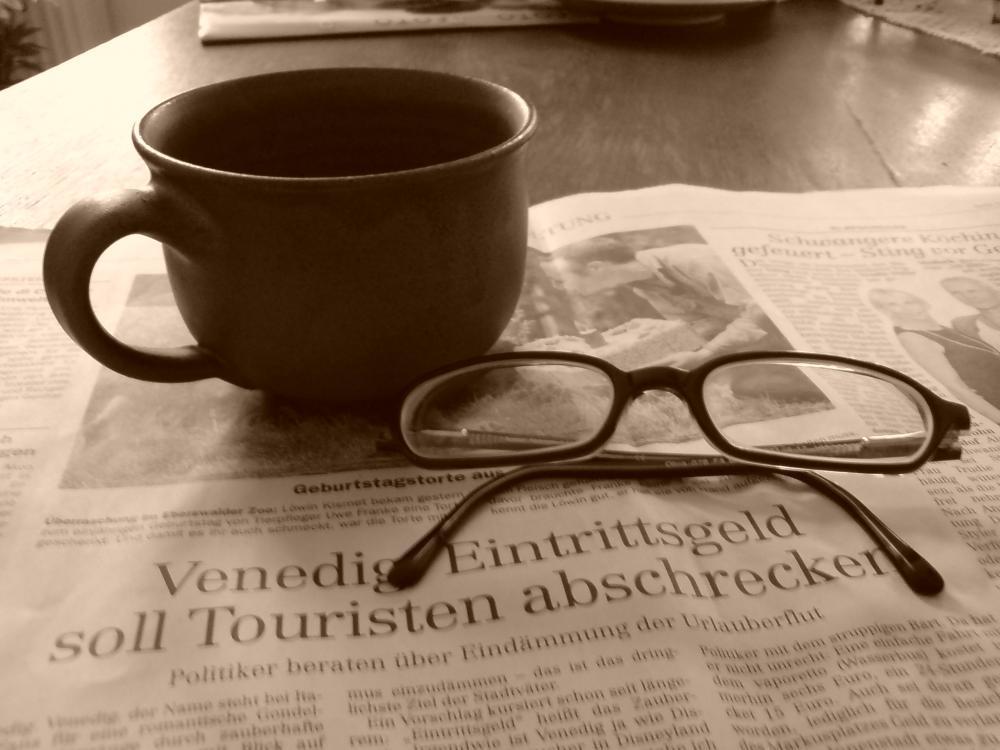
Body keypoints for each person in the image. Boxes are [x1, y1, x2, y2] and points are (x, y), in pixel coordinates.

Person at [550, 239, 784, 369]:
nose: (562, 288)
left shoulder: (691, 260)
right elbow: (700, 326)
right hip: (758, 339)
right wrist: (627, 358)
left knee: (751, 386)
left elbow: (759, 312)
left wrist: (707, 353)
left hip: (784, 331)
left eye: (561, 280)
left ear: (596, 267)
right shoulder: (644, 286)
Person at [868, 287, 1000, 424]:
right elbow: (957, 388)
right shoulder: (913, 337)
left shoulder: (944, 328)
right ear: (884, 311)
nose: (905, 309)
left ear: (922, 302)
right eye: (893, 305)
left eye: (909, 302)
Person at [941, 276, 1000, 351]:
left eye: (972, 291)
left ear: (991, 288)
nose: (967, 296)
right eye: (956, 293)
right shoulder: (962, 324)